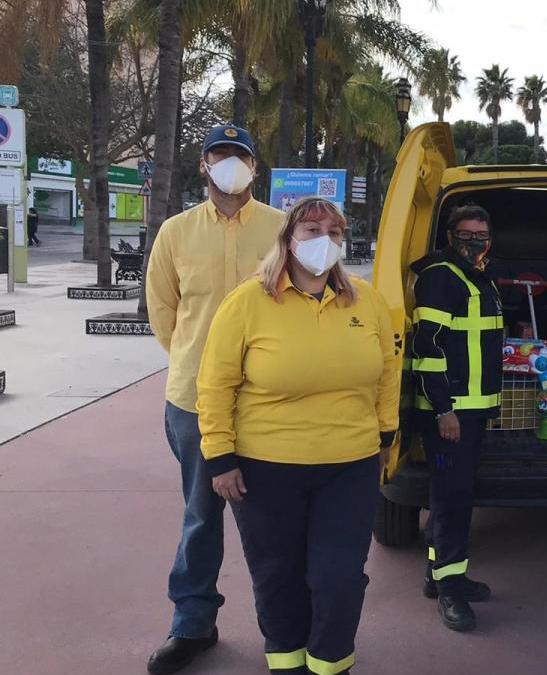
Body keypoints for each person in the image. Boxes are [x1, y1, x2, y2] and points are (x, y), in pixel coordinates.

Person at [196, 196, 398, 675]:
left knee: (339, 578)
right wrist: (219, 456)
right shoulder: (247, 302)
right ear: (287, 240)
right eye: (311, 231)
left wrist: (387, 434)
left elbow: (389, 372)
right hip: (266, 469)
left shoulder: (366, 301)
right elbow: (215, 382)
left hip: (350, 464)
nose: (323, 241)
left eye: (334, 232)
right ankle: (286, 663)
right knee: (277, 575)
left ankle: (330, 664)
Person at [145, 124, 285, 675]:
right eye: (220, 154)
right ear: (203, 164)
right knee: (202, 516)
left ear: (255, 166)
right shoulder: (176, 233)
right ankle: (192, 625)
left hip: (269, 403)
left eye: (241, 155)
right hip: (194, 403)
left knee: (273, 521)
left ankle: (285, 628)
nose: (231, 163)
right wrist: (198, 364)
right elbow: (164, 313)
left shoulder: (282, 230)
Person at [410, 204, 504, 632]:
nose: (475, 241)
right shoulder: (440, 276)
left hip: (472, 410)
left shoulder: (476, 275)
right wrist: (444, 410)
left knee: (452, 492)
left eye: (481, 234)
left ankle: (441, 575)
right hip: (449, 414)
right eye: (466, 234)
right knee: (452, 497)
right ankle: (450, 592)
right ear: (451, 236)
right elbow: (427, 350)